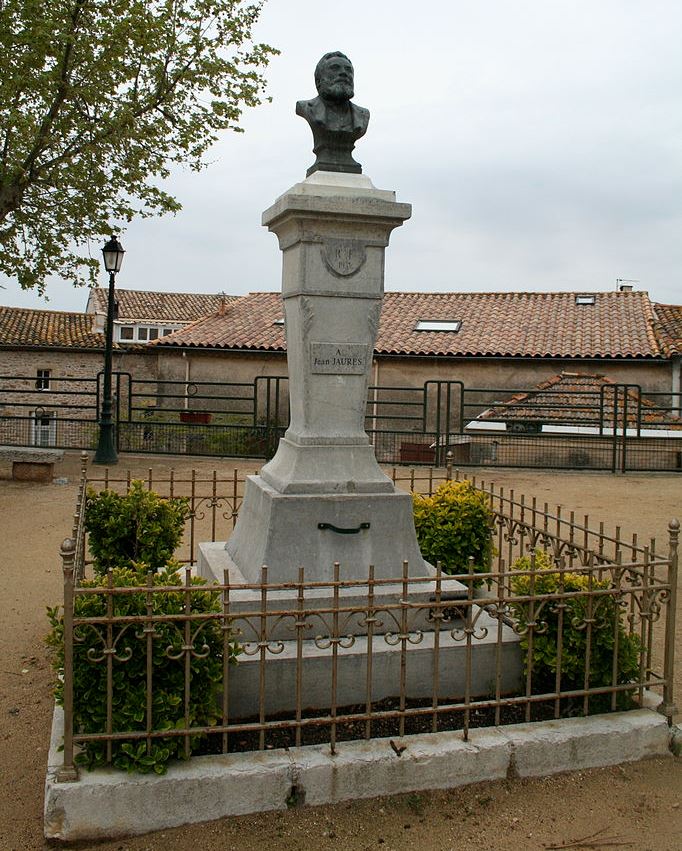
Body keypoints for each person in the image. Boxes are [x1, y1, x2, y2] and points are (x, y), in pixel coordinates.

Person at [296, 51, 369, 175]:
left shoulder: (363, 115)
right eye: (335, 68)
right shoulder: (307, 108)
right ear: (318, 80)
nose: (343, 73)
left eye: (348, 70)